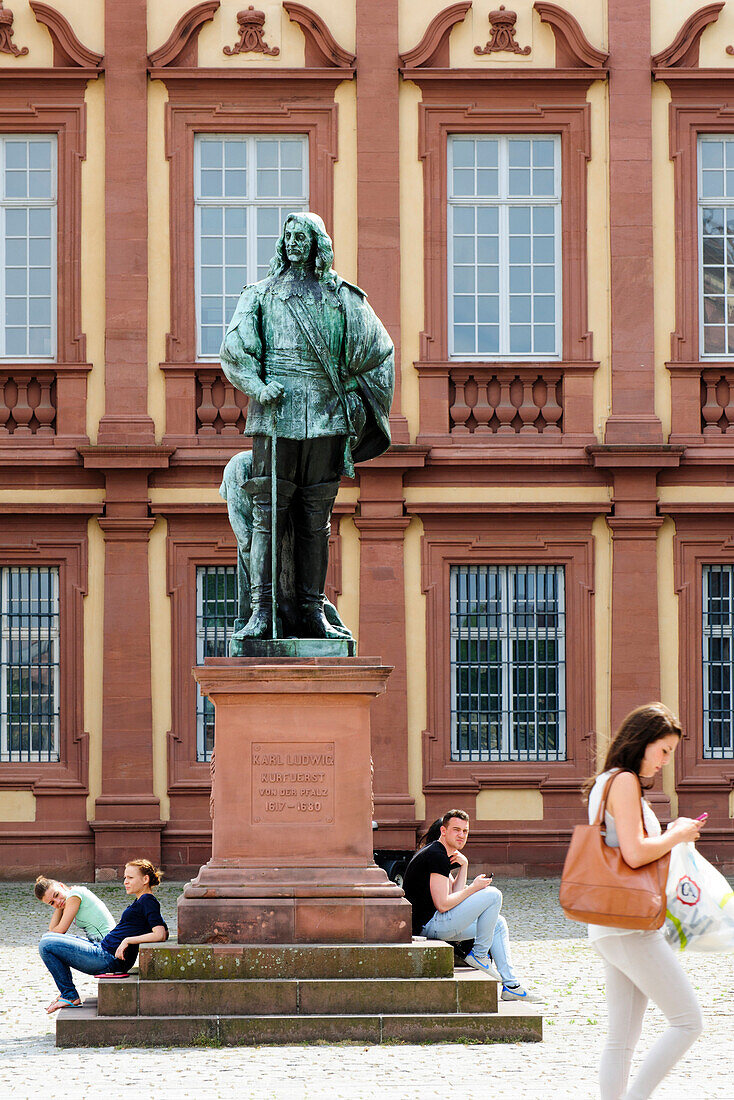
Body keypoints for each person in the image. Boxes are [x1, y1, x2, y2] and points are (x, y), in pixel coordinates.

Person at [220, 211, 394, 641]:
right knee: (267, 516)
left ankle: (312, 612)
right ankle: (262, 612)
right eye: (289, 235)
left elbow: (379, 348)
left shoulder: (342, 297)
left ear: (319, 243)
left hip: (325, 416)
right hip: (275, 415)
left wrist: (354, 393)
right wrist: (258, 387)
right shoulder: (261, 295)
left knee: (317, 520)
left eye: (303, 236)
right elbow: (234, 348)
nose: (295, 242)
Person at [586, 703, 704, 1100]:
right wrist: (679, 834)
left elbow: (629, 847)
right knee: (688, 1022)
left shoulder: (608, 781)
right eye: (664, 750)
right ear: (641, 742)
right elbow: (636, 855)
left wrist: (669, 833)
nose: (666, 761)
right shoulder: (624, 783)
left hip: (612, 922)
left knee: (622, 1038)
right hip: (630, 923)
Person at [403, 809, 540, 1002]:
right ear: (443, 830)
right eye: (456, 830)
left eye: (465, 831)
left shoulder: (439, 853)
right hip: (429, 926)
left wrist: (464, 866)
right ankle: (479, 955)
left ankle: (511, 985)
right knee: (493, 895)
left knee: (498, 924)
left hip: (436, 923)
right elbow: (443, 904)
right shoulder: (436, 855)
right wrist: (474, 888)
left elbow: (452, 895)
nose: (461, 835)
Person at [38, 858, 168, 1014]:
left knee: (46, 944)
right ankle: (68, 993)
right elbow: (163, 929)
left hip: (108, 958)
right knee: (47, 939)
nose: (125, 881)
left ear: (145, 879)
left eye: (130, 878)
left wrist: (128, 940)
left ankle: (69, 994)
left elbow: (160, 933)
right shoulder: (141, 901)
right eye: (125, 878)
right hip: (102, 950)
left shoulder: (148, 901)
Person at [34, 876, 114, 943]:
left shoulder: (74, 895)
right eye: (52, 903)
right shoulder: (70, 897)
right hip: (98, 943)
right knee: (48, 939)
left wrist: (60, 903)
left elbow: (60, 930)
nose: (57, 901)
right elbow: (52, 929)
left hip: (107, 946)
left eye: (57, 895)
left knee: (47, 943)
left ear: (61, 886)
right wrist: (60, 906)